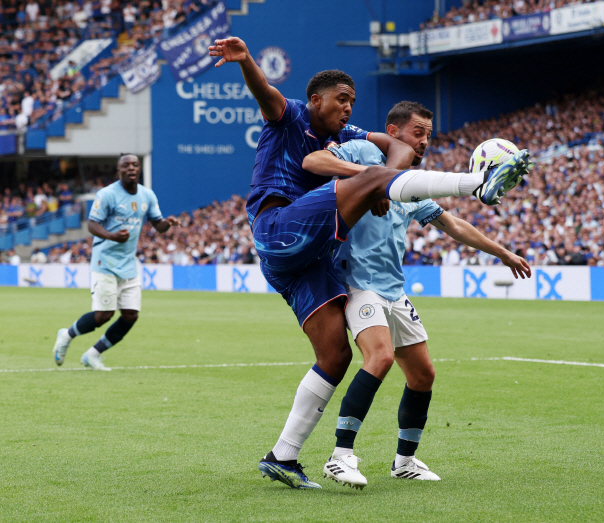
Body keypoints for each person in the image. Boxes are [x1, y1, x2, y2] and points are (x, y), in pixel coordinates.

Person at [208, 36, 530, 489]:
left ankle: (282, 456)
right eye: (341, 100)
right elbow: (271, 102)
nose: (348, 109)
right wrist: (246, 63)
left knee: (336, 355)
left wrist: (387, 177)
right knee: (376, 355)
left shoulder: (353, 138)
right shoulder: (294, 115)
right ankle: (477, 181)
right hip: (279, 227)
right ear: (316, 99)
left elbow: (395, 156)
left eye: (353, 102)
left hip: (309, 260)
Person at [302, 101, 531, 488]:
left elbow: (452, 223)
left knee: (423, 375)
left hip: (393, 289)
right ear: (393, 132)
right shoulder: (364, 153)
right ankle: (340, 457)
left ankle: (404, 460)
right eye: (417, 133)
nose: (424, 141)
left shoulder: (409, 183)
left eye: (428, 135)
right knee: (380, 357)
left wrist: (503, 252)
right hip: (357, 283)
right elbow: (314, 162)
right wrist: (370, 178)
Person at [52, 154, 180, 371]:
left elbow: (158, 224)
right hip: (106, 262)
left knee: (131, 315)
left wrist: (168, 223)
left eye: (135, 165)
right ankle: (67, 335)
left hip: (129, 264)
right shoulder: (107, 194)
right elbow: (92, 224)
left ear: (139, 169)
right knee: (104, 315)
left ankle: (93, 355)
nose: (131, 168)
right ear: (118, 170)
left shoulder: (147, 195)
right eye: (126, 165)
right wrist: (111, 236)